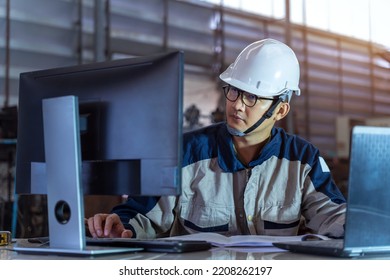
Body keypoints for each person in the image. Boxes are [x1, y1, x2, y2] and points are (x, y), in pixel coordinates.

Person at [87, 38, 346, 239]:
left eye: (252, 97)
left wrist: (368, 223)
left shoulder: (303, 159)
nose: (237, 105)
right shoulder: (187, 152)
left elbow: (333, 216)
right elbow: (141, 213)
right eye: (234, 91)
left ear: (280, 110)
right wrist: (119, 225)